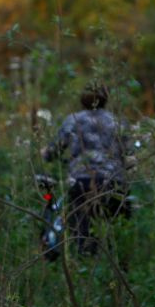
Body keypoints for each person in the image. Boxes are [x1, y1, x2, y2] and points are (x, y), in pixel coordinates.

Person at [43, 83, 130, 256]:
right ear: (105, 99)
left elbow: (53, 151)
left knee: (82, 233)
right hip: (114, 183)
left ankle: (85, 263)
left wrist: (45, 153)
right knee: (118, 233)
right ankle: (119, 267)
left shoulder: (73, 120)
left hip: (82, 183)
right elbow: (129, 155)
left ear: (82, 100)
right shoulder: (118, 121)